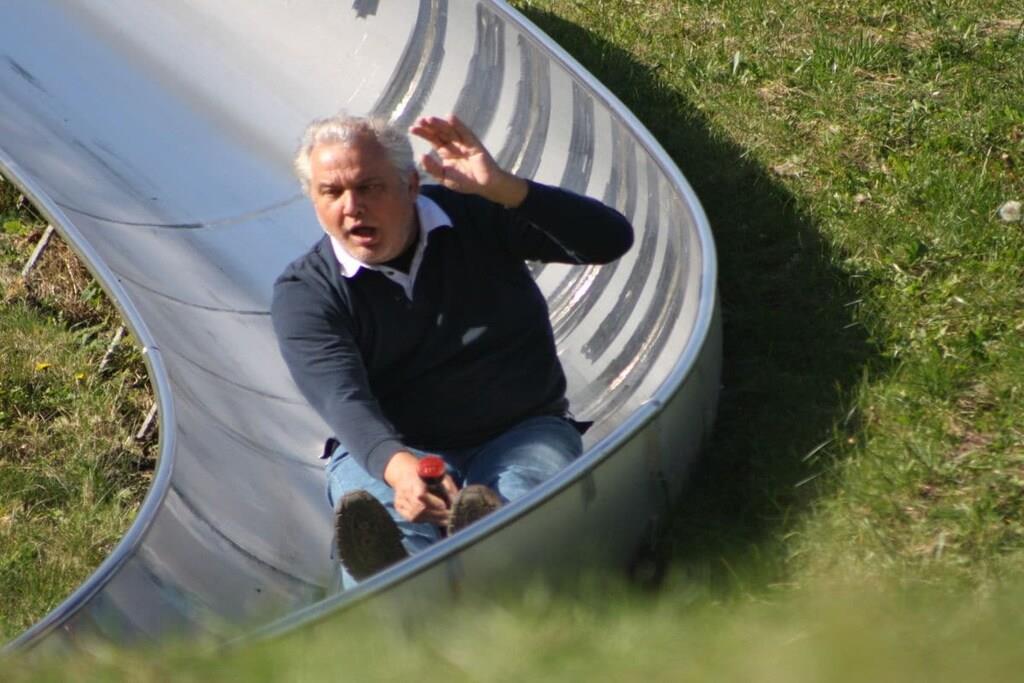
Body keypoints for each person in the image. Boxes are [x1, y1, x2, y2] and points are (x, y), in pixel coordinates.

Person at [271, 113, 633, 587]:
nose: (352, 207)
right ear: (314, 200)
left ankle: (494, 543)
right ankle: (395, 580)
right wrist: (399, 468)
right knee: (384, 515)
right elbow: (342, 399)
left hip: (518, 430)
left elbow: (609, 240)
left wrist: (505, 189)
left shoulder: (476, 215)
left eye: (369, 187)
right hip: (393, 448)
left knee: (522, 494)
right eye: (331, 193)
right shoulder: (306, 293)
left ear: (410, 185)